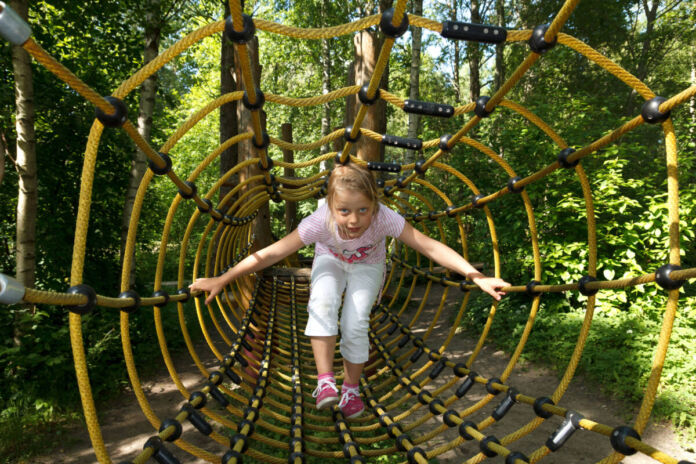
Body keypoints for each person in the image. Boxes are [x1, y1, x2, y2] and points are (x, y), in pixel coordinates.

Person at [189, 163, 509, 419]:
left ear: (374, 206)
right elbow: (270, 253)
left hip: (368, 266)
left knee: (355, 322)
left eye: (363, 210)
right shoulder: (319, 222)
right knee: (324, 302)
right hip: (329, 260)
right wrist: (223, 279)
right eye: (344, 210)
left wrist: (475, 275)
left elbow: (429, 247)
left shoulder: (385, 219)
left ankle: (351, 389)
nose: (354, 220)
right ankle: (326, 381)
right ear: (331, 206)